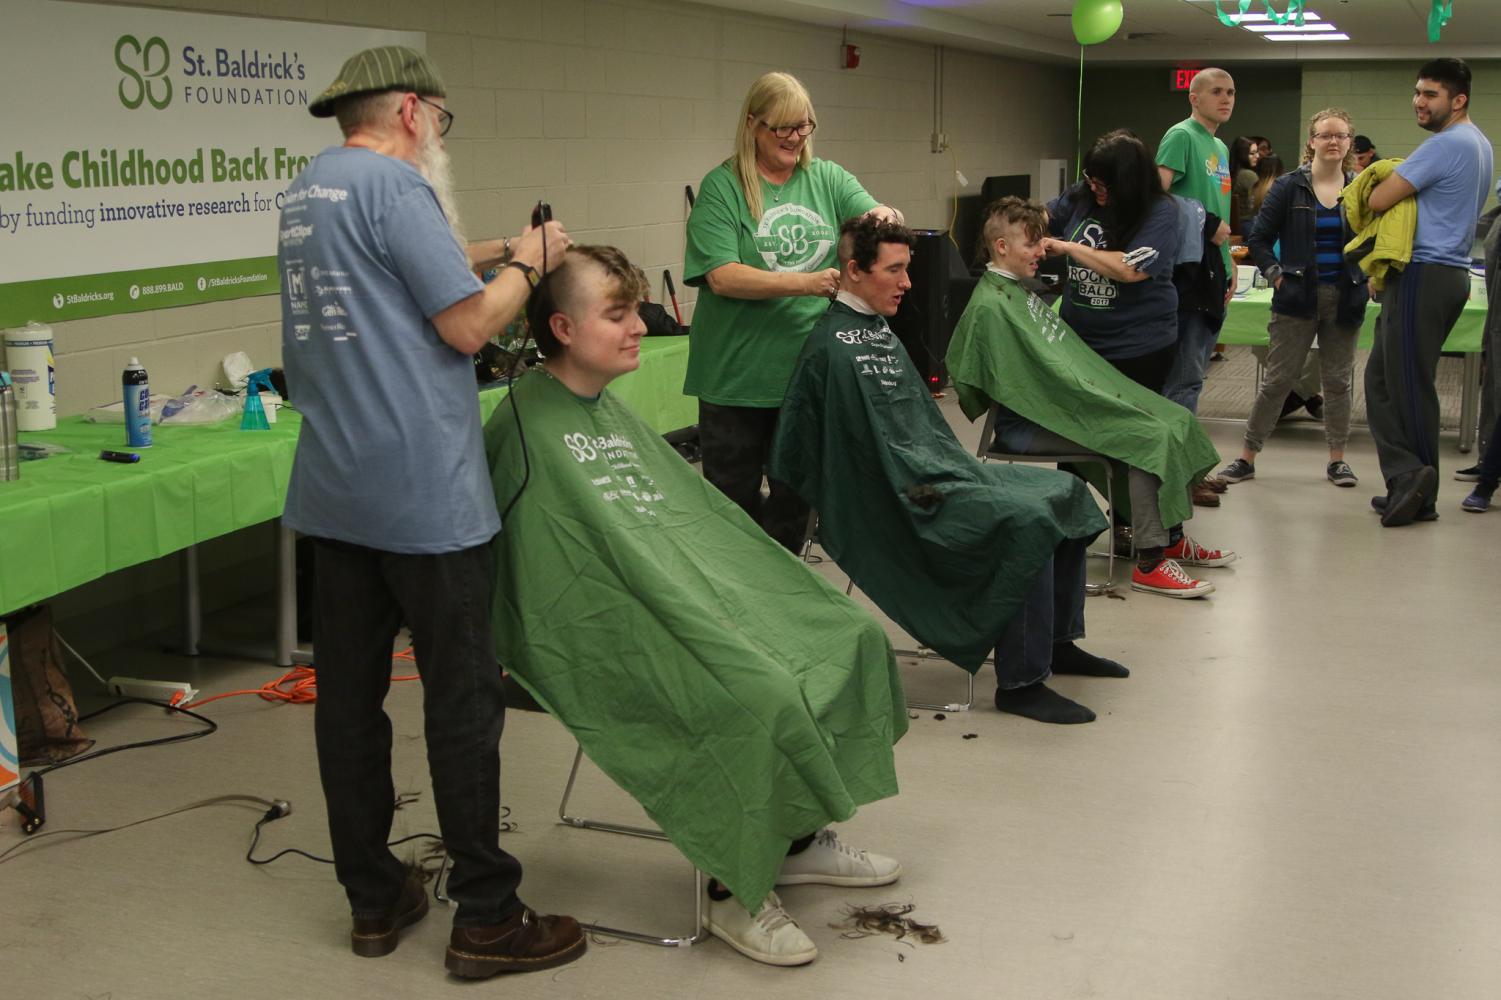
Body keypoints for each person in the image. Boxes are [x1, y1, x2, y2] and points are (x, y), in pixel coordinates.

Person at [486, 245, 906, 968]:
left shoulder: (599, 407)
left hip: (679, 596)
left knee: (843, 635)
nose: (639, 327)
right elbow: (538, 568)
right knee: (755, 692)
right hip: (599, 629)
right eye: (616, 314)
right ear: (560, 326)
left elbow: (687, 520)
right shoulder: (526, 423)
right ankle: (730, 893)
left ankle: (795, 841)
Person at [278, 46, 585, 978]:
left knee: (350, 709)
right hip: (425, 498)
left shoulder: (308, 191)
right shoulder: (398, 186)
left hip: (336, 492)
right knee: (461, 706)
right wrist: (531, 268)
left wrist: (503, 249)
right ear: (412, 111)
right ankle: (487, 916)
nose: (439, 138)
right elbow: (465, 325)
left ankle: (374, 898)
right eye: (440, 121)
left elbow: (404, 274)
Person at [771, 216, 1122, 725]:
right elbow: (802, 450)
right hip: (901, 495)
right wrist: (881, 485)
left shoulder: (875, 330)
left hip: (938, 471)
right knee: (1027, 519)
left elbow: (918, 427)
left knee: (1063, 489)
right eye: (895, 271)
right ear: (853, 270)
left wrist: (941, 467)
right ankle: (1021, 683)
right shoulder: (827, 348)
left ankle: (1055, 642)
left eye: (907, 269)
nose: (908, 283)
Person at [949, 197, 1233, 600]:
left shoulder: (1016, 293)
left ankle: (1168, 538)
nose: (1041, 251)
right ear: (1001, 247)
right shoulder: (991, 307)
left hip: (1050, 410)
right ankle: (1151, 563)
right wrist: (1087, 399)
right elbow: (1001, 380)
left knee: (1173, 419)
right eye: (1031, 244)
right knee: (1143, 436)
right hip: (1025, 426)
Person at [684, 71, 903, 554]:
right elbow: (722, 275)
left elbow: (873, 216)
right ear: (752, 125)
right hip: (736, 377)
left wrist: (886, 217)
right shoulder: (723, 187)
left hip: (804, 374)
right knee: (731, 502)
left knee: (797, 496)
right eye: (781, 128)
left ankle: (783, 593)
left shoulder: (826, 177)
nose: (794, 138)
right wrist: (807, 283)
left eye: (803, 126)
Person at [1362, 57, 1493, 526]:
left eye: (1430, 94)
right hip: (1442, 274)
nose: (1419, 101)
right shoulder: (1480, 143)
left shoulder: (1446, 144)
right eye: (1417, 92)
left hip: (1424, 273)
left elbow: (1377, 198)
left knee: (1409, 388)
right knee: (1381, 379)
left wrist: (1379, 176)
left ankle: (1417, 481)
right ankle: (1409, 481)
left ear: (1458, 101)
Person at [1219, 108, 1370, 489]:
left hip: (1346, 297)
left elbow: (1373, 238)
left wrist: (1368, 275)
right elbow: (1258, 237)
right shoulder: (1289, 186)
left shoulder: (1360, 189)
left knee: (1337, 382)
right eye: (1325, 135)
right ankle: (1246, 457)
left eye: (1341, 135)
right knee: (1278, 380)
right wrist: (1276, 276)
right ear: (1312, 141)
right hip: (1297, 296)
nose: (1333, 141)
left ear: (1349, 142)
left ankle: (1338, 460)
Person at [1157, 67, 1235, 416]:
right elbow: (1156, 198)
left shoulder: (1218, 145)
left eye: (1230, 93)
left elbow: (1218, 209)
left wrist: (1229, 263)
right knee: (1185, 377)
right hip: (1188, 268)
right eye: (1216, 91)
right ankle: (1174, 466)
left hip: (1214, 264)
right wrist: (1207, 225)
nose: (1225, 99)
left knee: (1196, 374)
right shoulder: (1181, 135)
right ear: (1194, 98)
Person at [1229, 135, 1261, 237]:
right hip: (1247, 224)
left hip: (1233, 225)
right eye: (1252, 153)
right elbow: (1258, 204)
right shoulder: (1248, 175)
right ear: (1242, 155)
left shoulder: (1230, 173)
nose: (1258, 156)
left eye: (1257, 152)